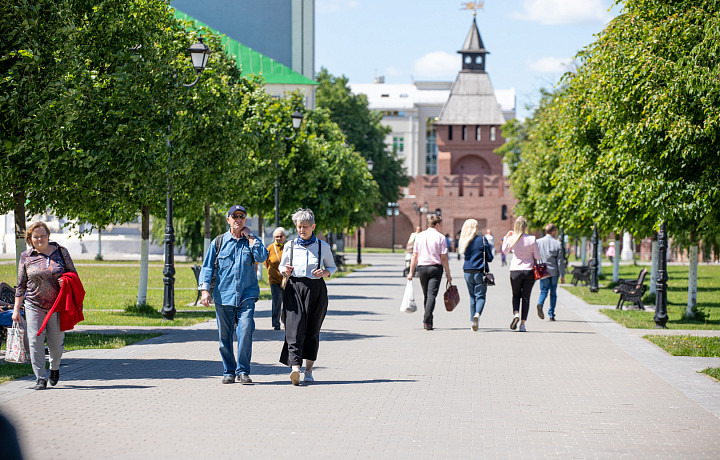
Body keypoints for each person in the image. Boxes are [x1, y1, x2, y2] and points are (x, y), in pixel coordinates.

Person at [199, 205, 268, 385]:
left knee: (245, 332)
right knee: (225, 337)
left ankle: (243, 370)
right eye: (234, 216)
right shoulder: (219, 242)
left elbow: (262, 257)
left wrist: (252, 237)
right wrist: (205, 290)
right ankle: (228, 371)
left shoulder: (251, 241)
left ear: (245, 220)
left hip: (246, 296)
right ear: (228, 219)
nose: (238, 219)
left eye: (242, 216)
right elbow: (207, 267)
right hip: (224, 296)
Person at [13, 221, 77, 390]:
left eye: (43, 235)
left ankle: (54, 368)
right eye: (36, 236)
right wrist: (16, 309)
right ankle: (40, 377)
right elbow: (21, 285)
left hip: (57, 306)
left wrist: (66, 280)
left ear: (48, 236)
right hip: (33, 304)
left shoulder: (61, 252)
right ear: (30, 239)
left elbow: (74, 275)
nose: (40, 239)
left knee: (56, 344)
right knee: (34, 341)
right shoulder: (26, 257)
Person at [279, 208, 337, 385]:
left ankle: (309, 370)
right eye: (299, 227)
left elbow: (332, 268)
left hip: (316, 289)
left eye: (305, 227)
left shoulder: (322, 246)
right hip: (294, 288)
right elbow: (281, 267)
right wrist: (285, 270)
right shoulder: (289, 246)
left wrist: (325, 272)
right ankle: (295, 367)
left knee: (312, 330)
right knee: (294, 328)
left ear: (313, 226)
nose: (301, 230)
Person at [407, 214, 452, 330]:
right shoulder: (441, 237)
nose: (441, 227)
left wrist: (411, 272)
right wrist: (448, 274)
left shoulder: (419, 236)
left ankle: (428, 321)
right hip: (435, 268)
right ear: (437, 225)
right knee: (431, 295)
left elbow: (414, 255)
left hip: (422, 268)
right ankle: (427, 319)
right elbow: (443, 258)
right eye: (440, 225)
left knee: (426, 294)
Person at [501, 216, 540, 332]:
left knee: (516, 294)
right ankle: (522, 325)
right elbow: (538, 257)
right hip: (529, 271)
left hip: (515, 270)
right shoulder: (532, 239)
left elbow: (504, 251)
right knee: (526, 297)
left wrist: (506, 237)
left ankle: (516, 314)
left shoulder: (512, 239)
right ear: (525, 227)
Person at [458, 219, 494, 331]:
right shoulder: (482, 240)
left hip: (467, 271)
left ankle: (472, 320)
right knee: (481, 296)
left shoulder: (464, 240)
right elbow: (490, 258)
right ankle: (477, 314)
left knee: (472, 296)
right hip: (480, 271)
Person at [536, 223, 565, 321]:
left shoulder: (538, 242)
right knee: (553, 293)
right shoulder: (558, 243)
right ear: (553, 231)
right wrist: (562, 275)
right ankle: (551, 314)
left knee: (543, 290)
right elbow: (560, 261)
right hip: (554, 271)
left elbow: (535, 256)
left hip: (542, 270)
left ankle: (540, 303)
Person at [264, 227, 287, 330]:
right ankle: (276, 323)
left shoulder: (287, 247)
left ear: (284, 237)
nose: (278, 238)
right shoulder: (270, 248)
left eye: (280, 236)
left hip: (286, 280)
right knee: (277, 301)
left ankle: (286, 321)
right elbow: (265, 262)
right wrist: (272, 272)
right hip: (274, 280)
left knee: (287, 302)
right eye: (276, 236)